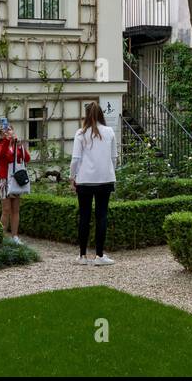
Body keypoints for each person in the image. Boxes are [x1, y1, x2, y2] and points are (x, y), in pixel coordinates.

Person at [71, 101, 118, 265]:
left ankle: (82, 256)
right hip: (105, 179)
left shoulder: (80, 133)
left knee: (84, 217)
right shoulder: (109, 131)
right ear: (100, 114)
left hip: (84, 180)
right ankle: (99, 256)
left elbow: (75, 159)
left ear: (86, 114)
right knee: (101, 216)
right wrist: (110, 171)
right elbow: (114, 158)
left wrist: (72, 177)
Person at [0, 119, 30, 244]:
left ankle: (15, 236)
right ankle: (2, 237)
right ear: (2, 133)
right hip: (4, 180)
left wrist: (20, 146)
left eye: (10, 129)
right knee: (6, 209)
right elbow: (2, 154)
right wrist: (7, 141)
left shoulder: (16, 145)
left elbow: (27, 158)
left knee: (16, 209)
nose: (9, 131)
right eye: (6, 130)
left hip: (15, 179)